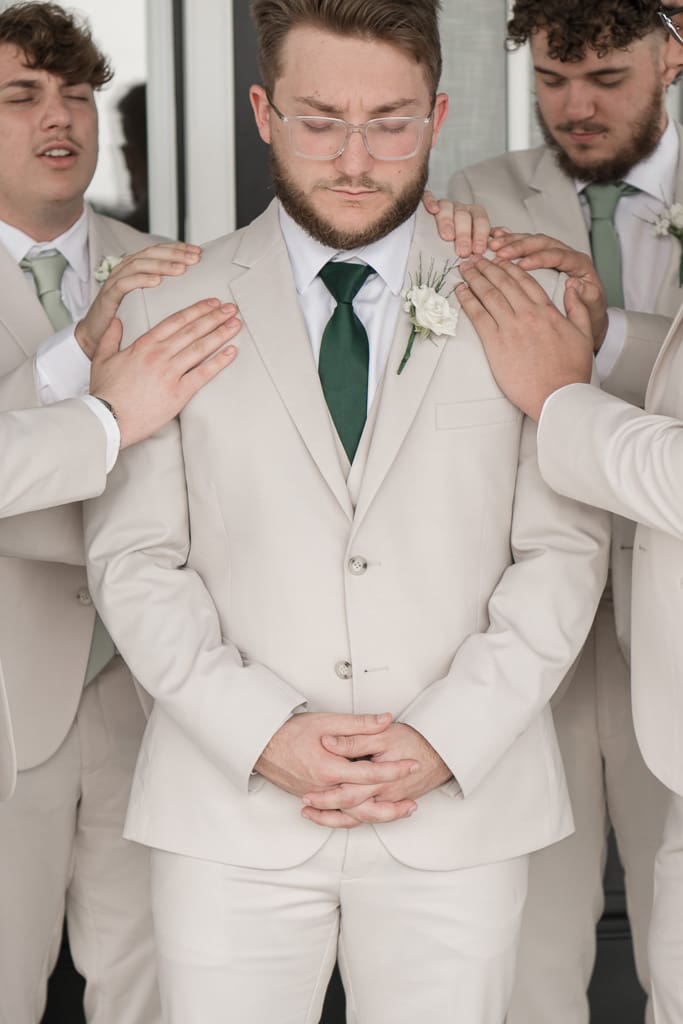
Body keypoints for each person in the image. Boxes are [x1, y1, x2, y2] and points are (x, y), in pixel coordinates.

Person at [84, 2, 609, 1021]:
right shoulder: (160, 304)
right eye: (321, 119)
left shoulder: (516, 300)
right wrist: (261, 730)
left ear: (438, 115)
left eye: (391, 122)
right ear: (262, 112)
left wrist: (446, 737)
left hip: (457, 810)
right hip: (226, 812)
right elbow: (135, 558)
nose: (357, 158)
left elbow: (562, 549)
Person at [434, 3, 683, 1021]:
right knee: (533, 942)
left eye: (606, 80)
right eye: (549, 78)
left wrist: (594, 337)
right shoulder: (478, 195)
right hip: (535, 621)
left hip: (671, 634)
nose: (572, 108)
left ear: (672, 53)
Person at [0, 4, 239, 1022]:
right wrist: (87, 377)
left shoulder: (180, 266)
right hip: (13, 700)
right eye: (21, 96)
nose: (60, 117)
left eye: (78, 94)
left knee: (153, 990)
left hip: (158, 698)